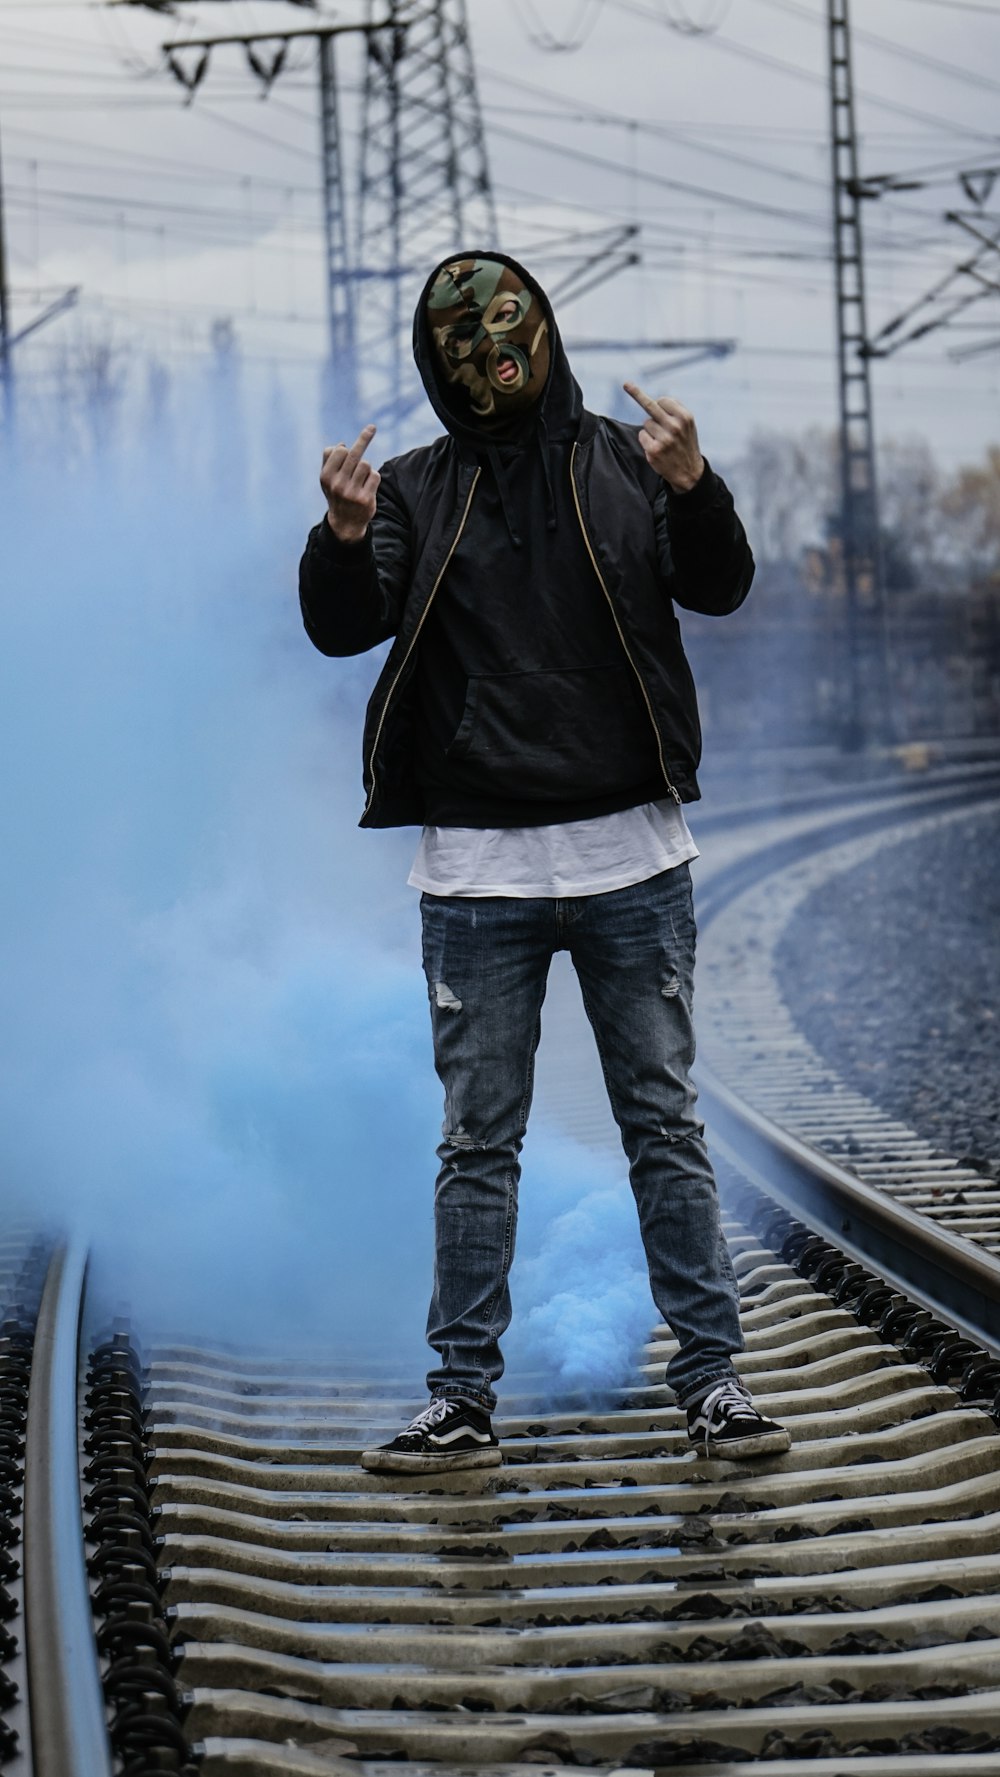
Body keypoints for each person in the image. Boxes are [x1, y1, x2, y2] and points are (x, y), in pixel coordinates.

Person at [299, 251, 790, 1472]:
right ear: (436, 363)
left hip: (631, 853)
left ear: (544, 327)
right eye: (460, 338)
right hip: (473, 872)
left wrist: (697, 486)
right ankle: (461, 1399)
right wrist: (341, 535)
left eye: (505, 323)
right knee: (478, 1147)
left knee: (662, 1126)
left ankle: (713, 1383)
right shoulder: (413, 488)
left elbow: (721, 587)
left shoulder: (629, 464)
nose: (488, 351)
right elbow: (340, 626)